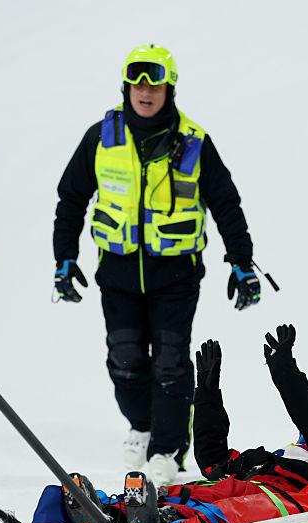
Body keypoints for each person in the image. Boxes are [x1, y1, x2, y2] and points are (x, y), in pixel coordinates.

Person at [52, 44, 261, 484]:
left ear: (170, 88)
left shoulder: (194, 142)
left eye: (155, 83)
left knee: (170, 361)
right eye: (138, 82)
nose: (146, 92)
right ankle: (143, 427)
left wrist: (241, 262)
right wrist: (64, 257)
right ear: (126, 87)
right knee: (125, 358)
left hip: (175, 275)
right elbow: (71, 197)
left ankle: (168, 449)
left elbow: (225, 202)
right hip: (118, 271)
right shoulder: (101, 138)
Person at [57, 325, 308, 523]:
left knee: (231, 507)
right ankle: (110, 513)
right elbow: (214, 461)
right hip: (253, 485)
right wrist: (208, 393)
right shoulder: (286, 457)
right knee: (203, 489)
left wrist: (285, 373)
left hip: (276, 503)